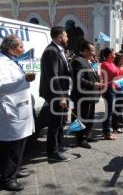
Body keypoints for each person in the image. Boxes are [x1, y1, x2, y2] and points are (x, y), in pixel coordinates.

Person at [0, 35, 35, 191]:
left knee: (20, 144)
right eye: (20, 46)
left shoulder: (13, 60)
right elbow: (2, 86)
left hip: (20, 109)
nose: (23, 49)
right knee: (12, 146)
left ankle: (15, 169)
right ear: (10, 48)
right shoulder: (2, 63)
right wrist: (24, 79)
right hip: (10, 111)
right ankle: (7, 179)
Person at [40, 26, 71, 162]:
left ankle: (59, 147)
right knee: (55, 124)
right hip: (56, 95)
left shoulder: (59, 50)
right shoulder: (51, 51)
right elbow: (53, 76)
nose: (67, 38)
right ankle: (53, 153)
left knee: (61, 122)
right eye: (66, 36)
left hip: (63, 93)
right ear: (59, 37)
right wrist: (60, 97)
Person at [70, 40, 101, 149]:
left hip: (90, 95)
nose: (94, 52)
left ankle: (87, 135)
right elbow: (79, 79)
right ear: (85, 50)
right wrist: (93, 84)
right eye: (92, 50)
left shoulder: (88, 61)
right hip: (82, 96)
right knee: (82, 117)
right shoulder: (78, 61)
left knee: (89, 117)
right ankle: (80, 139)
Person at [101, 47, 120, 140]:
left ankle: (107, 130)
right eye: (114, 54)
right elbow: (115, 72)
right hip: (108, 90)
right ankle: (106, 132)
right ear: (109, 55)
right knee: (108, 112)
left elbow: (118, 73)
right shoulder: (105, 64)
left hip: (113, 89)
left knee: (110, 111)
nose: (115, 55)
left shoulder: (112, 63)